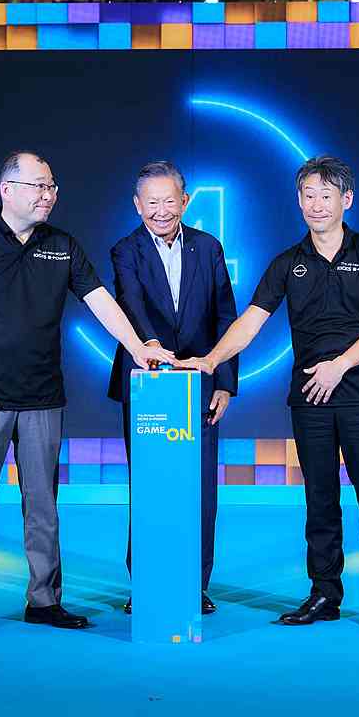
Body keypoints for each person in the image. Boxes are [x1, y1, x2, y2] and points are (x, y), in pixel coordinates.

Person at [0, 151, 175, 639]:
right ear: (7, 190)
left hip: (43, 396)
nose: (47, 195)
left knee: (43, 506)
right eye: (38, 186)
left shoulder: (62, 246)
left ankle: (44, 600)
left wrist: (138, 347)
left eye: (51, 187)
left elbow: (101, 302)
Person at [178, 155, 359, 632]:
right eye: (308, 195)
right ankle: (324, 594)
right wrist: (211, 360)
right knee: (319, 501)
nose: (316, 205)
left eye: (326, 195)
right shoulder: (288, 262)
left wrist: (339, 366)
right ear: (298, 200)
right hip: (310, 401)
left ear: (347, 200)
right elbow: (251, 321)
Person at [108, 160, 238, 616]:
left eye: (169, 201)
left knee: (200, 489)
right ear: (137, 205)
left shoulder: (209, 246)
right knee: (149, 486)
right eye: (152, 202)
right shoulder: (125, 250)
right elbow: (130, 304)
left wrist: (225, 382)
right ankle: (145, 582)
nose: (161, 210)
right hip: (147, 382)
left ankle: (194, 584)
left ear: (184, 202)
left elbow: (226, 315)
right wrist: (151, 348)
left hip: (200, 383)